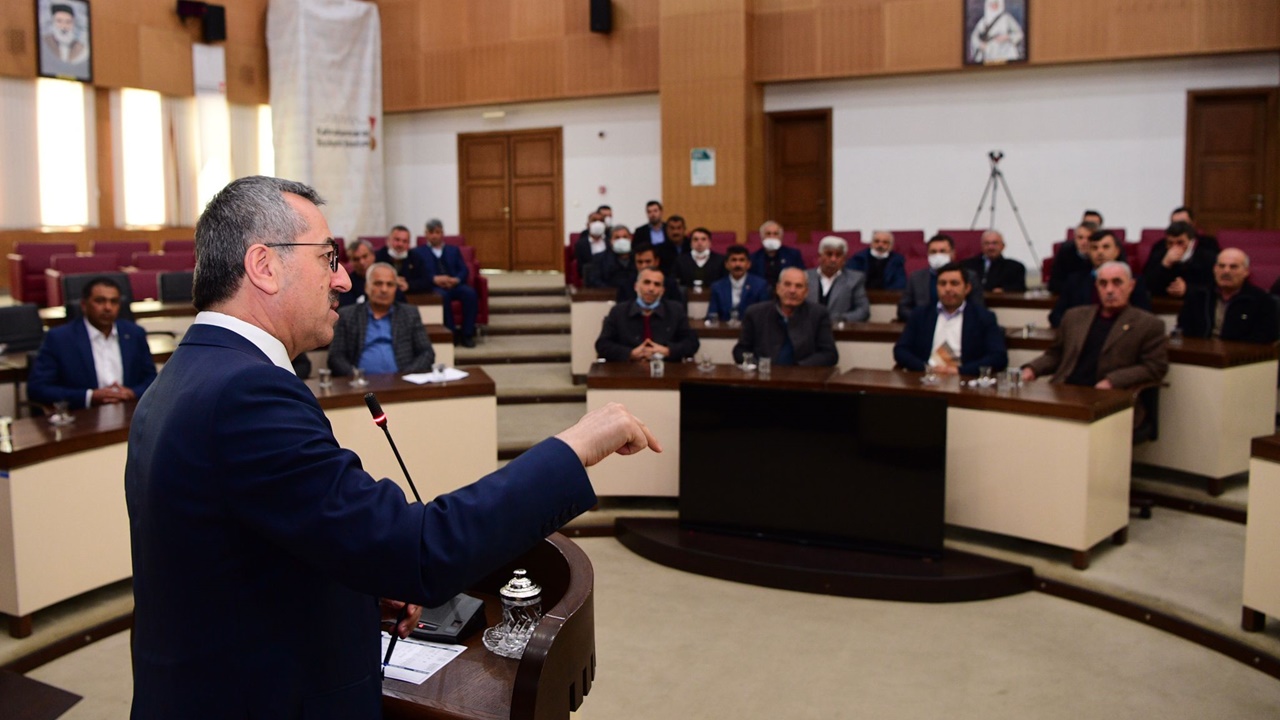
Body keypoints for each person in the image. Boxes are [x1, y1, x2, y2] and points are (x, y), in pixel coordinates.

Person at [124, 175, 659, 719]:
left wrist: (351, 592)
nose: (344, 280)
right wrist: (573, 449)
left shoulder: (184, 375)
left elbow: (240, 560)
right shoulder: (246, 393)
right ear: (264, 266)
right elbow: (417, 549)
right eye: (328, 258)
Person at [1022, 261, 1168, 390]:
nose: (1109, 290)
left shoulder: (1148, 324)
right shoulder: (1074, 316)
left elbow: (1154, 367)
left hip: (1110, 395)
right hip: (1065, 390)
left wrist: (1112, 381)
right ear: (1097, 287)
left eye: (1117, 282)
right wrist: (1032, 369)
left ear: (1131, 286)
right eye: (1103, 284)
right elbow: (1055, 355)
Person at [28, 276, 157, 410]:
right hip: (83, 418)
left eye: (114, 302)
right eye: (100, 301)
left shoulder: (135, 334)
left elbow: (152, 380)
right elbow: (38, 389)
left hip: (128, 413)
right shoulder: (60, 338)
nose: (108, 307)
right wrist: (90, 396)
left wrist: (132, 393)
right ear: (84, 305)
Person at [893, 263, 1007, 376]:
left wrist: (960, 371)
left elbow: (998, 357)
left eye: (954, 283)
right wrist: (926, 368)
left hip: (964, 380)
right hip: (926, 378)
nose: (947, 289)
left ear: (967, 288)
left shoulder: (983, 317)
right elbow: (901, 350)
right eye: (942, 284)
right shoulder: (920, 315)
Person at [327, 263, 435, 376]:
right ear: (366, 287)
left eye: (390, 284)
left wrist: (405, 376)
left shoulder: (409, 314)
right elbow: (335, 356)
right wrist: (355, 376)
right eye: (378, 284)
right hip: (360, 386)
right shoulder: (348, 315)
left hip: (401, 384)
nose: (384, 289)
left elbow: (426, 353)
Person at [733, 268, 837, 367]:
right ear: (778, 288)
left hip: (804, 378)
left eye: (799, 286)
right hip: (762, 377)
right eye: (787, 284)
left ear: (806, 292)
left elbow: (829, 354)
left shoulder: (818, 314)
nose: (792, 290)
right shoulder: (755, 313)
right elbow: (740, 350)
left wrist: (799, 368)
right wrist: (759, 366)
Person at [1049, 229, 1152, 327]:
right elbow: (1055, 316)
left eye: (1106, 247)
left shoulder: (1132, 281)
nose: (1100, 252)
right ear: (1089, 252)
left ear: (1117, 251)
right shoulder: (1075, 281)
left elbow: (1144, 316)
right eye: (1095, 248)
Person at [595, 267, 699, 362]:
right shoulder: (618, 311)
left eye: (657, 284)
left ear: (662, 291)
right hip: (628, 371)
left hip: (666, 370)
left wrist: (668, 350)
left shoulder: (675, 310)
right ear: (636, 286)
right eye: (646, 282)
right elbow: (602, 345)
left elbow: (692, 343)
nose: (651, 289)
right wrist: (630, 353)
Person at [1178, 249, 1278, 344]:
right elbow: (1184, 331)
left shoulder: (1262, 301)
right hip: (1200, 355)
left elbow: (1265, 338)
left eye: (1233, 267)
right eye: (1221, 266)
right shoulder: (1199, 296)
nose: (1226, 271)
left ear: (1246, 272)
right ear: (1214, 269)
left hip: (1241, 358)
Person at [412, 218, 479, 347]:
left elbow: (463, 269)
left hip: (454, 285)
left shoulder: (453, 250)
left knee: (470, 294)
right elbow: (418, 273)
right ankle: (451, 333)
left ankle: (467, 334)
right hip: (434, 286)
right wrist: (434, 279)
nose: (434, 236)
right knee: (443, 297)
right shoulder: (418, 252)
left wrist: (456, 280)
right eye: (431, 232)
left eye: (437, 232)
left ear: (442, 233)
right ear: (426, 234)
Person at [897, 234, 984, 321]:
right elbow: (903, 308)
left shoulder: (970, 276)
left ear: (953, 253)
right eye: (933, 252)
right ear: (927, 254)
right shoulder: (916, 278)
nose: (938, 255)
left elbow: (977, 307)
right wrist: (922, 320)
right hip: (924, 327)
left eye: (942, 251)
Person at [805, 235, 870, 324]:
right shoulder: (804, 276)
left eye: (838, 255)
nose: (833, 259)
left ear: (844, 259)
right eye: (829, 254)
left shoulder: (854, 279)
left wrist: (841, 318)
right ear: (819, 256)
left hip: (839, 330)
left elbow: (863, 311)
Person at [1143, 221, 1216, 299]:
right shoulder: (1159, 254)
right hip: (1162, 301)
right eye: (1170, 243)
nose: (1175, 247)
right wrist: (1164, 265)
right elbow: (1146, 284)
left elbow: (1212, 286)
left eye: (1180, 243)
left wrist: (1188, 289)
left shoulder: (1206, 258)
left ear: (1191, 241)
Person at [707, 244, 770, 322]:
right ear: (726, 264)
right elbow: (712, 315)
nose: (737, 264)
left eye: (742, 260)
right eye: (734, 260)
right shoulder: (717, 287)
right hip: (724, 331)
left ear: (748, 264)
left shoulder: (760, 285)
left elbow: (764, 315)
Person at [616, 244, 685, 305]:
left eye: (648, 261)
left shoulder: (670, 285)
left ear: (656, 262)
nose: (643, 266)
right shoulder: (626, 285)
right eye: (640, 262)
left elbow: (677, 312)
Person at [962, 229, 1026, 292]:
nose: (990, 247)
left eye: (994, 243)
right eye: (987, 243)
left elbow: (1020, 288)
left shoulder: (1015, 267)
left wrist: (1003, 290)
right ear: (981, 246)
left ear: (1003, 246)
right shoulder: (967, 265)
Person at [375, 224, 431, 294]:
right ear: (388, 241)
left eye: (404, 241)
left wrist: (409, 285)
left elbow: (426, 281)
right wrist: (392, 281)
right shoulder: (378, 256)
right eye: (397, 240)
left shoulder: (416, 258)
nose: (400, 244)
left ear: (409, 244)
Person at [750, 220, 804, 289]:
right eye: (768, 234)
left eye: (775, 234)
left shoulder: (793, 255)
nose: (772, 237)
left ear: (781, 237)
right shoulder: (754, 258)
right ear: (762, 237)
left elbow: (801, 276)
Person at [40, 3, 89, 78]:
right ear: (52, 22)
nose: (64, 27)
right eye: (59, 21)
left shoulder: (83, 50)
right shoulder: (45, 44)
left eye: (68, 22)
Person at [1049, 221, 1098, 295]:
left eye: (1089, 238)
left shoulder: (1104, 255)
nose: (1084, 242)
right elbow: (1054, 284)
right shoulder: (1066, 252)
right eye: (1080, 238)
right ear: (1075, 238)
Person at [674, 226, 725, 291]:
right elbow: (676, 282)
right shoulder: (680, 261)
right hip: (686, 298)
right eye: (696, 239)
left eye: (703, 239)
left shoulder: (720, 260)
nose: (699, 243)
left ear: (710, 243)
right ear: (690, 243)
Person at [596, 226, 636, 290]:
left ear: (630, 239)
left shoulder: (638, 257)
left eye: (625, 237)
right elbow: (596, 282)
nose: (621, 240)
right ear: (610, 241)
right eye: (617, 238)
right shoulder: (599, 259)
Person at [338, 238, 376, 306]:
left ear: (373, 255)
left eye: (365, 256)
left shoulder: (388, 278)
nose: (362, 262)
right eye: (356, 259)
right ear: (350, 262)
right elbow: (347, 310)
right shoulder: (347, 285)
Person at [573, 215, 609, 287]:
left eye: (601, 221)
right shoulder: (581, 244)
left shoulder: (609, 243)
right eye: (594, 220)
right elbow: (580, 266)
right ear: (588, 224)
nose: (598, 223)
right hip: (590, 277)